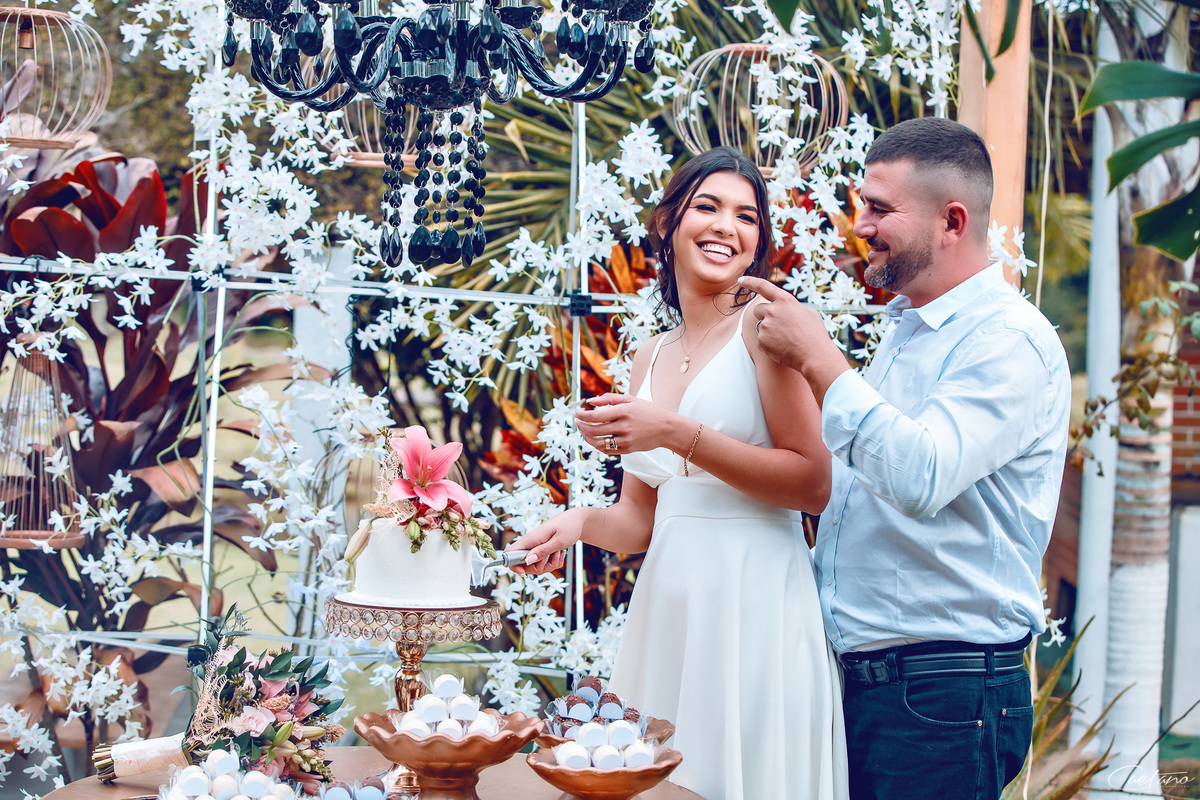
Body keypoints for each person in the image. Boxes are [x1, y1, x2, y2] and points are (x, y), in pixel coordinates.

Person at [740, 117, 1071, 799]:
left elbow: (921, 475)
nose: (861, 225)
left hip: (941, 695)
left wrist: (819, 357)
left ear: (952, 221)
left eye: (879, 208)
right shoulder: (911, 330)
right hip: (874, 686)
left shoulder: (1009, 341)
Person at [509, 146, 849, 800]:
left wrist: (673, 432)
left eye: (746, 216)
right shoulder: (649, 355)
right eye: (708, 207)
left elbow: (814, 483)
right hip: (670, 603)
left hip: (756, 599)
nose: (726, 227)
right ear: (668, 222)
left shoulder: (764, 328)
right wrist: (576, 523)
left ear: (758, 243)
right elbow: (640, 519)